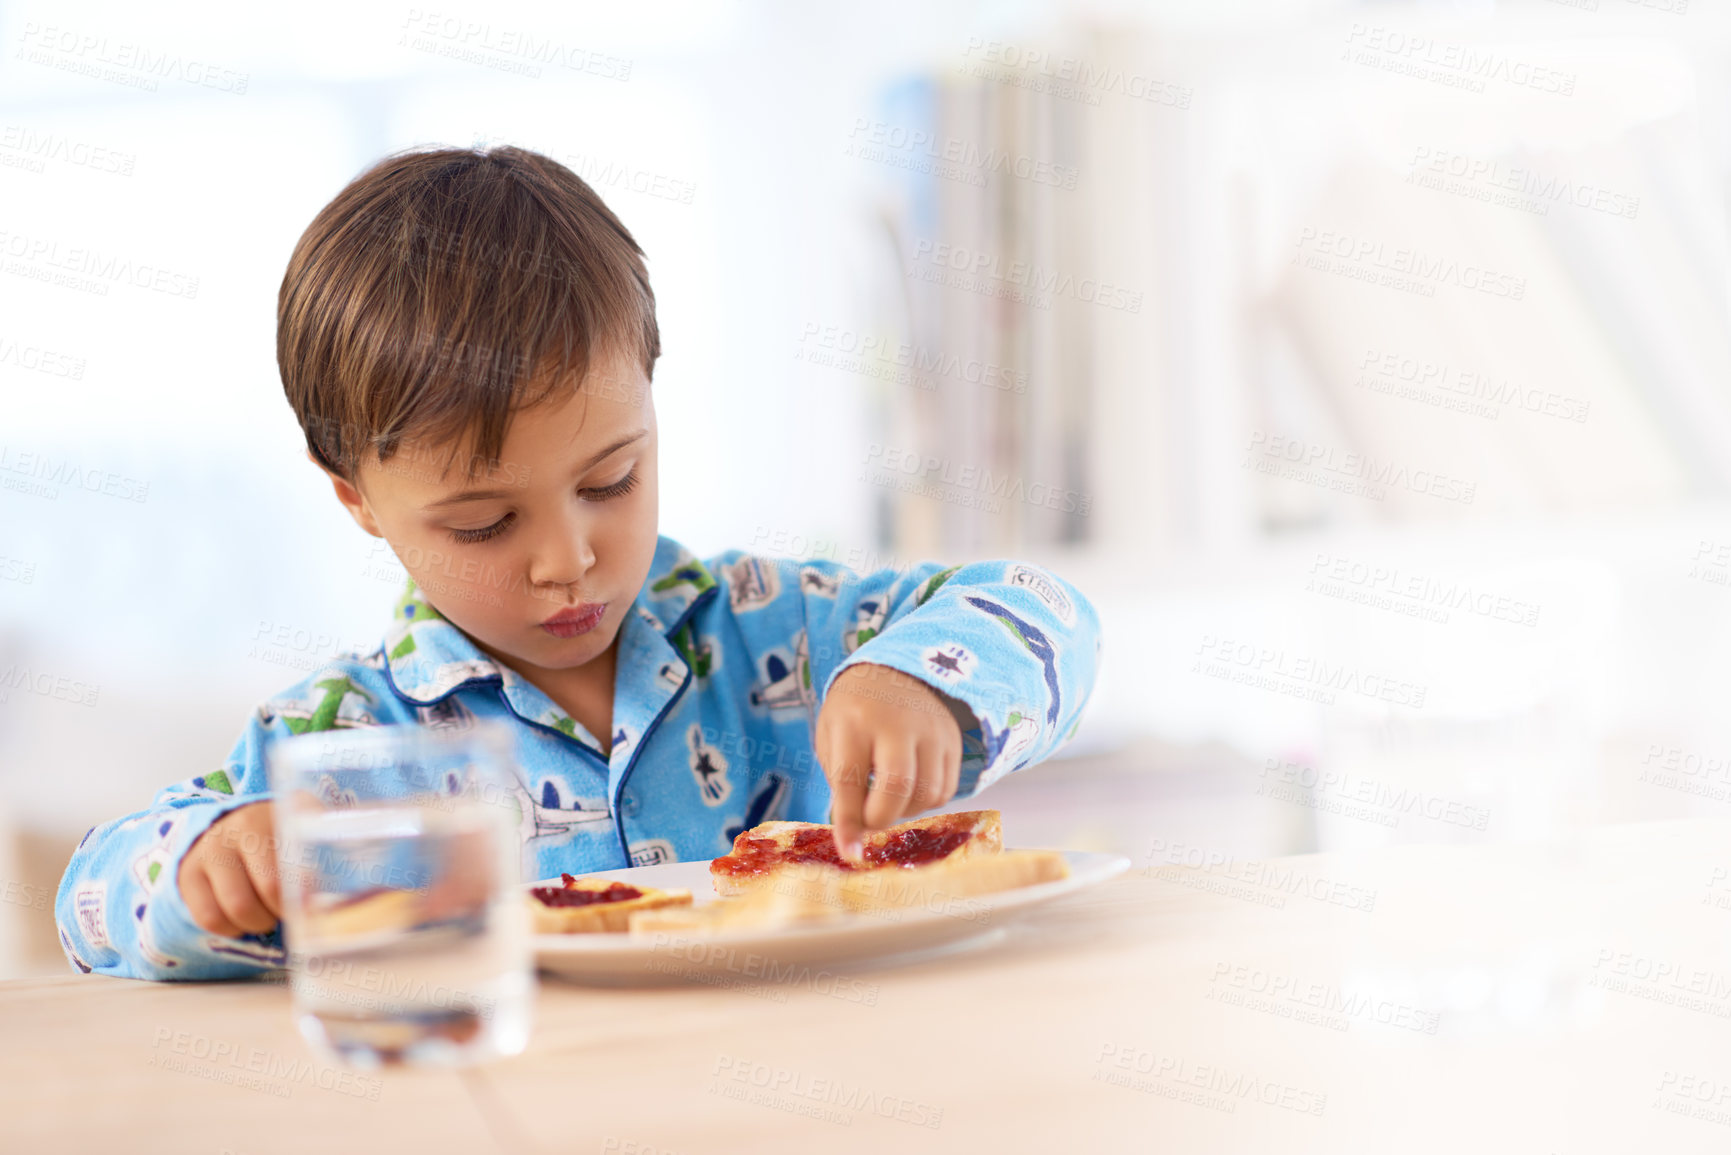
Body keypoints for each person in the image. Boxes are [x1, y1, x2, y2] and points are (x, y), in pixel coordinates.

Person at [53, 145, 1102, 980]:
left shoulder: (781, 626)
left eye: (611, 482)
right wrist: (207, 868)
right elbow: (90, 902)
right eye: (483, 525)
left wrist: (918, 678)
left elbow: (1040, 606)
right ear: (356, 499)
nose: (571, 559)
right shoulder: (349, 748)